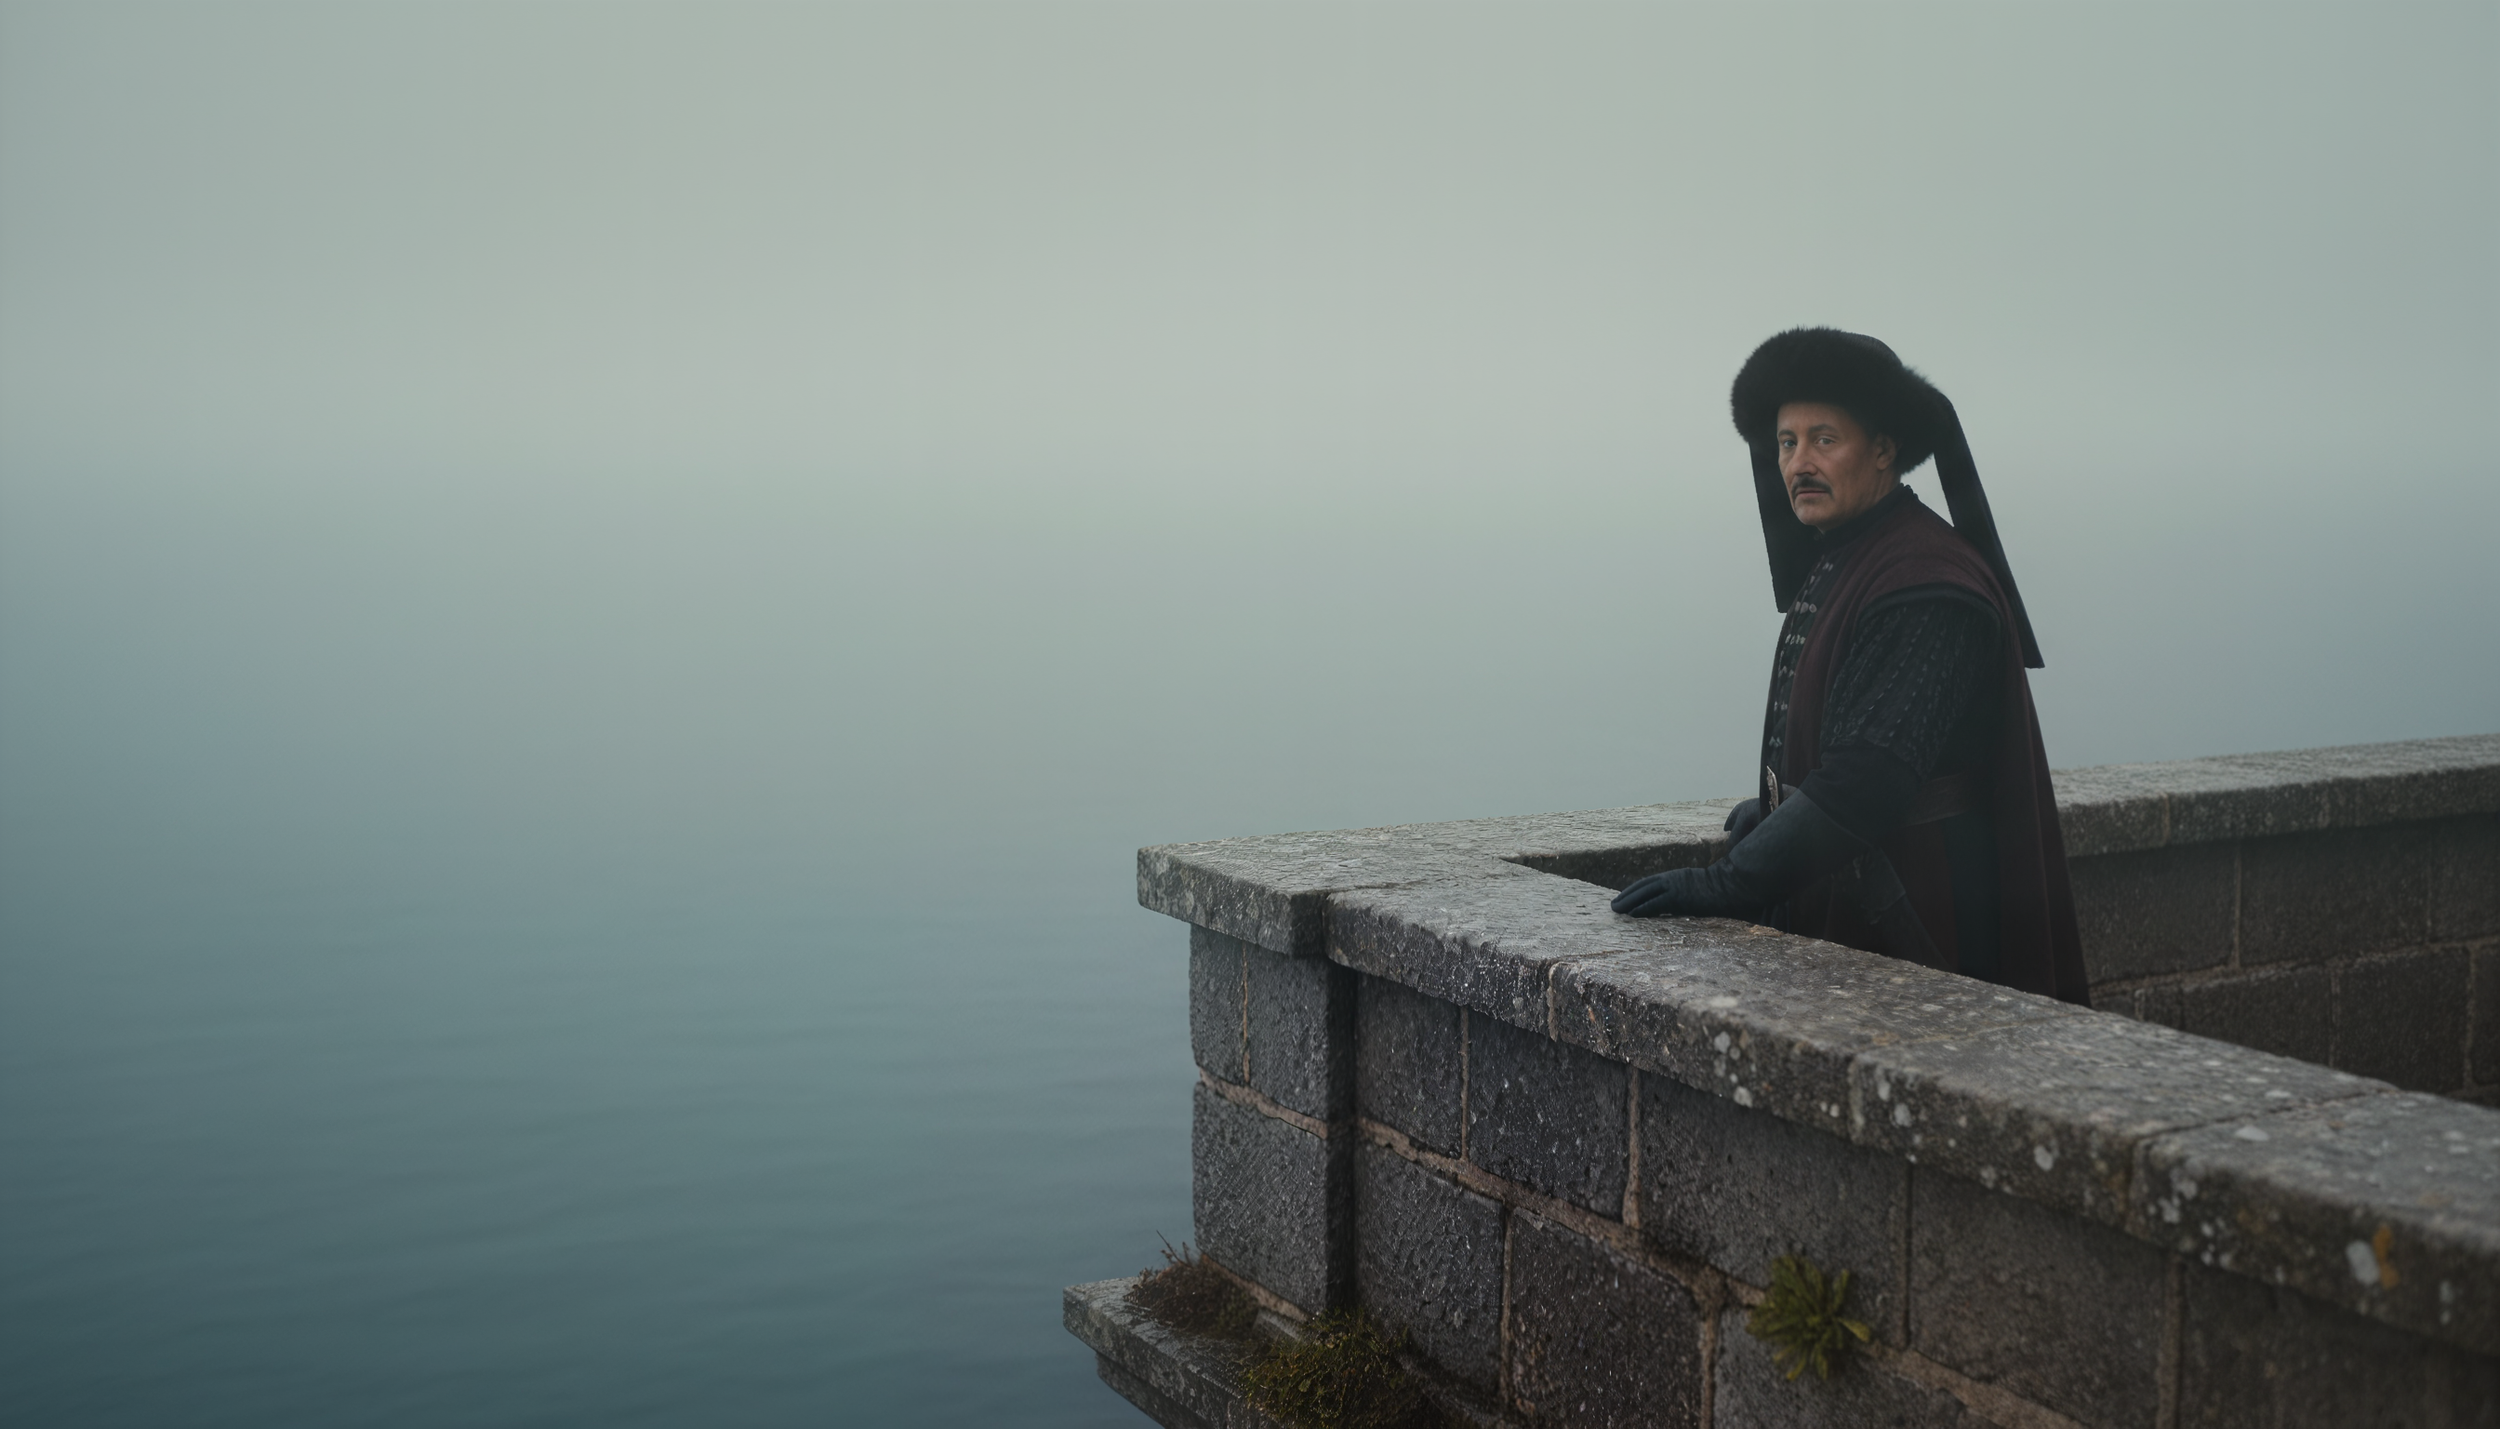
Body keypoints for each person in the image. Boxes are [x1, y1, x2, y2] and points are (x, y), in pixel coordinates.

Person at [1611, 328, 2088, 1004]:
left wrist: (1730, 883)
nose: (1799, 462)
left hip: (1927, 932)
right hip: (1858, 917)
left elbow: (1871, 775)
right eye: (1786, 442)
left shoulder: (1924, 579)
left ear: (1884, 450)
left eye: (1824, 439)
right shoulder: (1854, 554)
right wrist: (1782, 812)